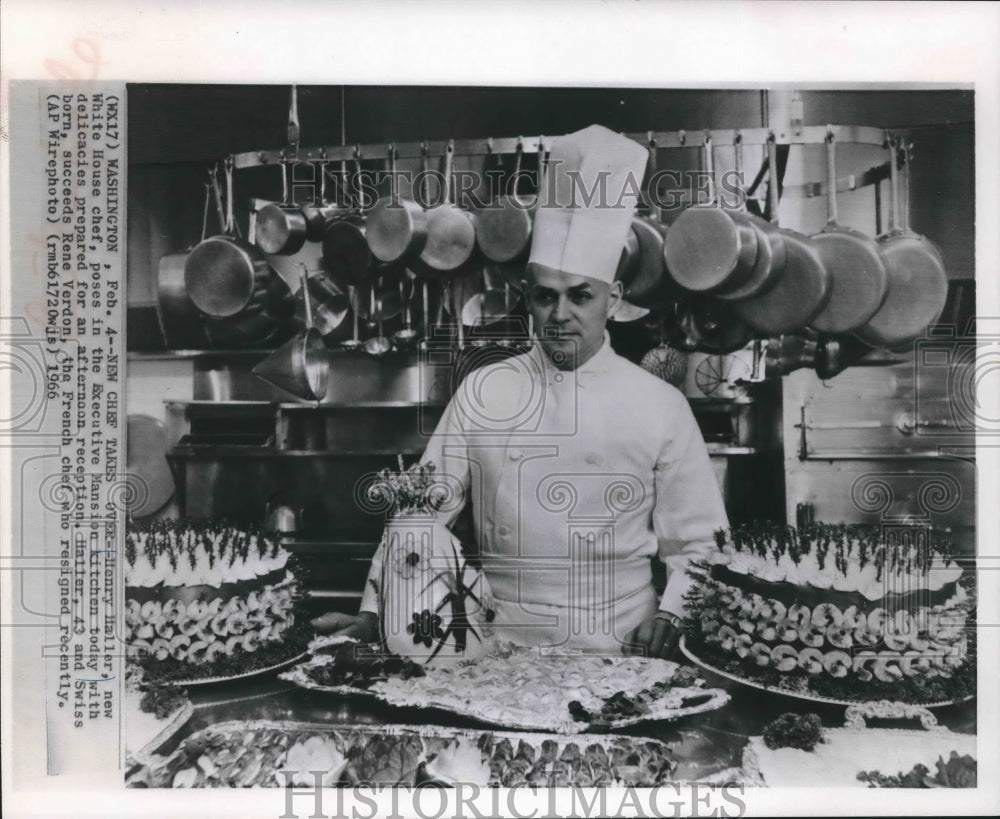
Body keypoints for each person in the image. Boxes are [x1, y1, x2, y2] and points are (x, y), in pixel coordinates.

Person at [313, 124, 728, 659]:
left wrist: (674, 613)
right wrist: (376, 611)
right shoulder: (485, 389)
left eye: (580, 296)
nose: (561, 315)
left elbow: (698, 543)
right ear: (526, 297)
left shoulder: (659, 405)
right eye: (545, 297)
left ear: (615, 297)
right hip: (493, 643)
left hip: (618, 647)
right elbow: (420, 513)